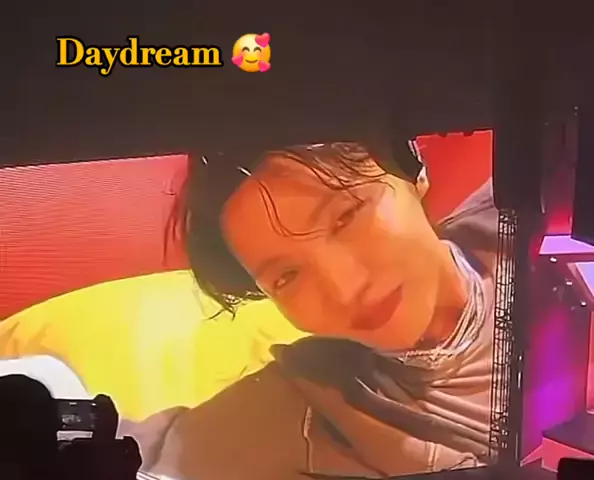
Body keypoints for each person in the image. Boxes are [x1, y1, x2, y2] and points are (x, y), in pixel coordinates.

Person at [121, 141, 499, 480]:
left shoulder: (526, 209)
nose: (345, 288)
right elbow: (138, 454)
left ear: (410, 168)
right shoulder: (310, 404)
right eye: (287, 277)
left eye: (345, 218)